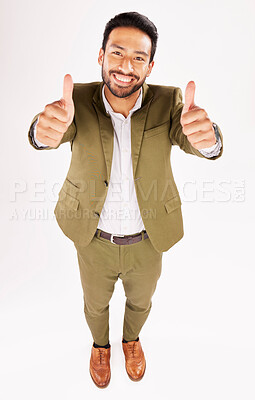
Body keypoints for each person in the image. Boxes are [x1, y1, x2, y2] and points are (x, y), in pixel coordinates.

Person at [28, 11, 223, 388]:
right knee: (95, 303)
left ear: (150, 66)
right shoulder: (78, 100)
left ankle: (130, 341)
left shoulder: (168, 102)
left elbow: (193, 136)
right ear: (100, 55)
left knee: (141, 302)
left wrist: (209, 139)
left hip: (148, 240)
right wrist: (41, 131)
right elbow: (52, 128)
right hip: (93, 238)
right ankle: (100, 345)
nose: (126, 67)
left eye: (138, 58)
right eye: (117, 53)